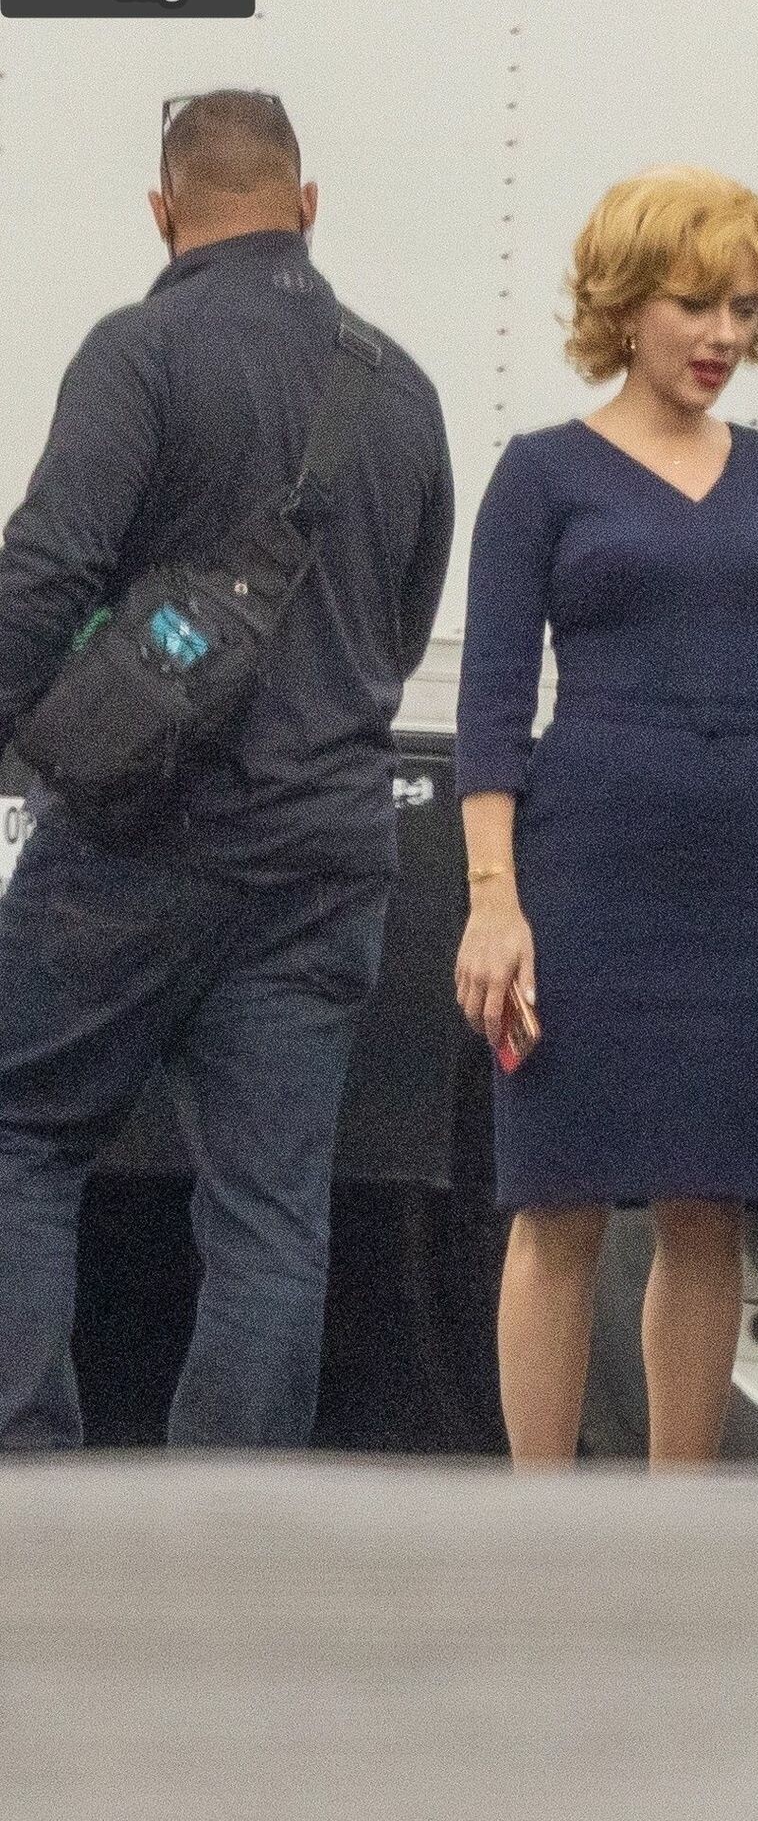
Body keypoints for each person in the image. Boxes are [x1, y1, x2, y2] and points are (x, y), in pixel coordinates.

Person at [0, 89, 454, 1450]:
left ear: (163, 212)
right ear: (306, 205)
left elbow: (47, 573)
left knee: (21, 1130)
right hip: (325, 858)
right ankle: (227, 1525)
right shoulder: (401, 388)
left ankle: (26, 1477)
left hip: (138, 846)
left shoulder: (138, 353)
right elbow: (402, 623)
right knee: (270, 1212)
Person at [453, 165, 758, 1467]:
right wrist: (495, 902)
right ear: (624, 304)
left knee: (710, 1210)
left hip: (736, 889)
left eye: (747, 308)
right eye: (696, 302)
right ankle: (543, 1525)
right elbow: (492, 707)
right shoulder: (541, 475)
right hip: (581, 880)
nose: (725, 334)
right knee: (558, 1206)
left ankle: (679, 1531)